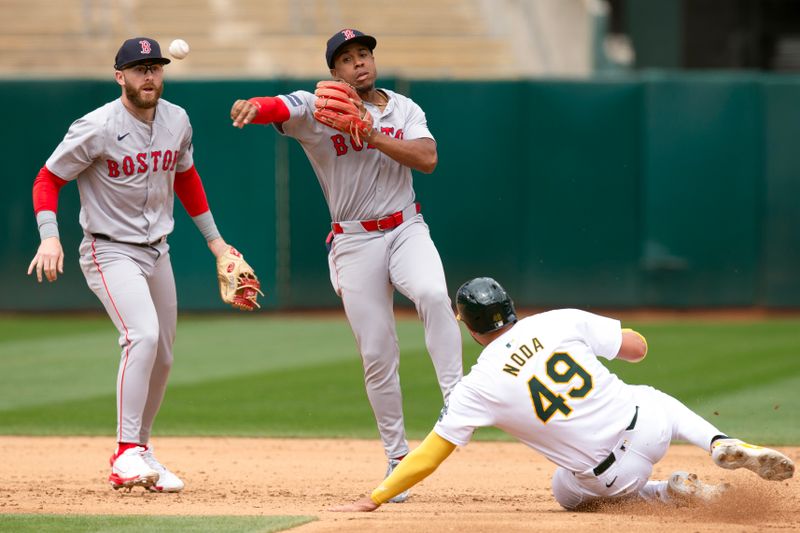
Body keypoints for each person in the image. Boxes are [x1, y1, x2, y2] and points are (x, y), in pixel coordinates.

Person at [229, 28, 463, 501]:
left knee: (435, 293)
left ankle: (458, 400)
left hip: (405, 227)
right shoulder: (318, 108)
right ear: (333, 72)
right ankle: (398, 458)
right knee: (377, 352)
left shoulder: (404, 109)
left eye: (364, 54)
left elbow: (429, 158)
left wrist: (372, 134)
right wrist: (254, 107)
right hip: (354, 241)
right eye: (347, 59)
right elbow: (277, 106)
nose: (359, 63)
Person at [333, 277, 795, 512]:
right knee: (653, 396)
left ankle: (664, 492)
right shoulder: (559, 319)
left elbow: (430, 456)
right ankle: (720, 443)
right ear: (510, 307)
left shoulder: (476, 387)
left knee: (565, 492)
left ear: (466, 325)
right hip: (649, 427)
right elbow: (636, 348)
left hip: (612, 476)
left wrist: (375, 497)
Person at [27, 37, 255, 492]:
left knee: (164, 356)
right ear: (120, 77)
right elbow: (48, 178)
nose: (149, 76)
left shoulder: (177, 120)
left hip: (157, 249)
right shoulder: (96, 126)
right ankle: (125, 451)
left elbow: (186, 177)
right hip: (108, 249)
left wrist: (217, 244)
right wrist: (49, 236)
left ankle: (142, 453)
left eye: (155, 67)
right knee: (142, 336)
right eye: (139, 69)